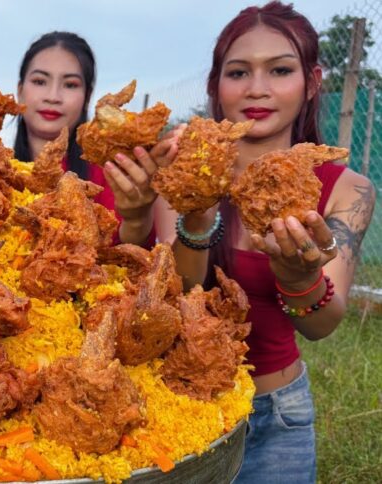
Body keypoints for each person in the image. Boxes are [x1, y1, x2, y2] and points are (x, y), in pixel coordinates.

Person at [154, 2, 375, 482]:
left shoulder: (346, 189)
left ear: (312, 81)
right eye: (238, 72)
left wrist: (298, 277)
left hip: (278, 415)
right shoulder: (186, 170)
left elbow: (321, 326)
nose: (257, 88)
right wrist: (197, 215)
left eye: (279, 69)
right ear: (216, 86)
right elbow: (175, 297)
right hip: (181, 407)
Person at [13, 31, 178, 247]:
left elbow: (130, 256)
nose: (53, 96)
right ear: (20, 91)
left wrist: (137, 218)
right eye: (39, 81)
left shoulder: (117, 174)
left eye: (70, 84)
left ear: (87, 97)